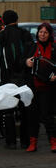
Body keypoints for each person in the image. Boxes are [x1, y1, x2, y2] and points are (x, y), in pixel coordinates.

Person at [0, 10, 33, 149]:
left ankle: (11, 141)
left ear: (3, 20)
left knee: (8, 109)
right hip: (24, 77)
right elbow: (31, 54)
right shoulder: (25, 34)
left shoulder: (1, 36)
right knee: (25, 108)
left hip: (7, 79)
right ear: (17, 19)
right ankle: (26, 141)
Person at [23, 23, 56, 153]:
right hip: (33, 86)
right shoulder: (31, 47)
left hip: (48, 87)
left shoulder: (54, 48)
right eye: (40, 32)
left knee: (48, 116)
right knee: (32, 116)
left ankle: (53, 141)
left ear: (49, 34)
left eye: (45, 32)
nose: (42, 34)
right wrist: (26, 62)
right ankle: (33, 143)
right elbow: (20, 62)